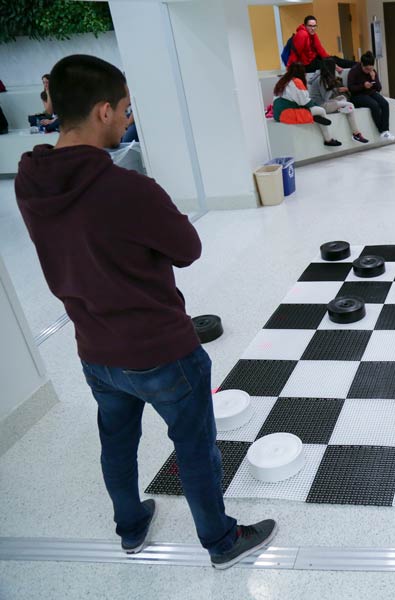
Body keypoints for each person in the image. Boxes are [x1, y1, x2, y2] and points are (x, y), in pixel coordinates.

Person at [14, 55, 277, 570]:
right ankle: (221, 543)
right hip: (162, 351)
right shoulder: (126, 188)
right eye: (126, 110)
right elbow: (188, 247)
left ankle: (131, 528)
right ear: (103, 110)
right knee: (195, 447)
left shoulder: (29, 180)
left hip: (94, 350)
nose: (129, 119)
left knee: (117, 442)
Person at [272, 62, 342, 147]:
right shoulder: (297, 81)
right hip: (287, 113)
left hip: (277, 113)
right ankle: (328, 139)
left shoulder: (283, 80)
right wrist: (315, 105)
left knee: (313, 111)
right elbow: (304, 101)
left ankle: (313, 117)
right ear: (301, 72)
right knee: (321, 110)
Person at [308, 58, 368, 143]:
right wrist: (331, 87)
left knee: (343, 98)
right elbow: (325, 97)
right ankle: (356, 134)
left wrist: (335, 89)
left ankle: (339, 109)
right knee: (350, 105)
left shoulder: (322, 76)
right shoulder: (321, 79)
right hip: (321, 105)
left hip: (323, 102)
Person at [347, 51, 395, 140]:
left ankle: (385, 130)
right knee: (374, 105)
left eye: (370, 69)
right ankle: (382, 130)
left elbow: (379, 88)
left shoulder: (372, 72)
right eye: (366, 69)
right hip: (357, 96)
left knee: (384, 103)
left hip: (370, 92)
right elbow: (351, 88)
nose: (368, 71)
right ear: (362, 64)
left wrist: (373, 79)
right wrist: (363, 86)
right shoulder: (354, 71)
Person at [286, 15, 355, 73]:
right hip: (306, 65)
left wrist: (331, 62)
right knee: (329, 63)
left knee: (334, 59)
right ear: (305, 25)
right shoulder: (302, 34)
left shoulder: (313, 34)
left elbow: (320, 50)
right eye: (310, 26)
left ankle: (358, 65)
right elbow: (294, 53)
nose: (313, 28)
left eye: (314, 26)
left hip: (313, 60)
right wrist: (289, 71)